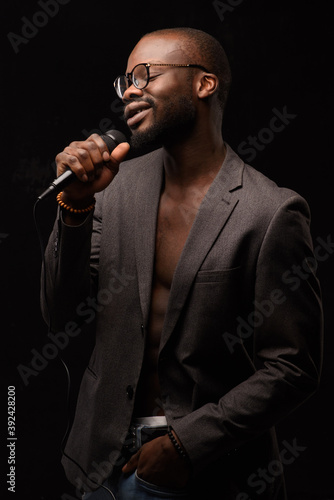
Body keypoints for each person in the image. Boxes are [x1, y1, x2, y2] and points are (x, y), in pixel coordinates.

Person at [41, 27, 323, 499]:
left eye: (146, 74)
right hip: (97, 463)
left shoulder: (270, 211)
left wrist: (185, 446)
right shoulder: (114, 189)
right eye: (125, 80)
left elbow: (294, 367)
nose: (131, 88)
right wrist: (75, 209)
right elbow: (59, 315)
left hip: (203, 471)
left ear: (204, 84)